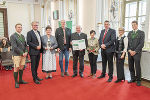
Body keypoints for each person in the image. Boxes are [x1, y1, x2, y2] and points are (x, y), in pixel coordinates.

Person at [10, 23, 28, 88]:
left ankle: (20, 80)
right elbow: (14, 47)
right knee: (16, 68)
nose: (20, 28)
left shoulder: (22, 36)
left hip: (23, 55)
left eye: (20, 27)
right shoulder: (13, 36)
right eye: (18, 27)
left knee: (22, 67)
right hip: (17, 55)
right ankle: (16, 82)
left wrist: (26, 51)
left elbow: (25, 45)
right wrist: (22, 53)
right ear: (15, 28)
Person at [127, 21, 145, 86]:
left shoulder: (141, 33)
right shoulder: (129, 33)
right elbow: (127, 43)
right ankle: (132, 78)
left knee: (137, 66)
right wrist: (129, 50)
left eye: (134, 25)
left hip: (137, 53)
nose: (133, 26)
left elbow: (141, 44)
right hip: (130, 53)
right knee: (130, 66)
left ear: (137, 25)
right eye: (132, 25)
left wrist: (134, 51)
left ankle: (138, 80)